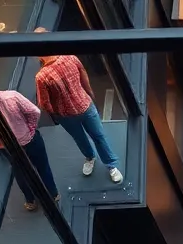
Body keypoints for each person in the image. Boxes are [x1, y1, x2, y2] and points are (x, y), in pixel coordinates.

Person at [33, 32, 122, 184]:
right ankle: (110, 165)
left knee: (80, 138)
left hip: (66, 114)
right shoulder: (71, 57)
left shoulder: (41, 77)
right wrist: (89, 92)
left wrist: (55, 113)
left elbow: (44, 103)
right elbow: (83, 73)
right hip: (85, 104)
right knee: (99, 136)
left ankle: (91, 158)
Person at [0, 70, 58, 212]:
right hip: (29, 139)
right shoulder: (12, 96)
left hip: (8, 148)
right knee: (43, 166)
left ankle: (31, 201)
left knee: (21, 173)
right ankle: (53, 194)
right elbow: (34, 112)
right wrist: (30, 127)